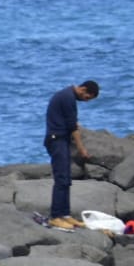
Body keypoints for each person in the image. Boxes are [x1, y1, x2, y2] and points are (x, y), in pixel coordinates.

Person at [43, 80, 99, 226]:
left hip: (62, 140)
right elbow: (73, 127)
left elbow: (69, 121)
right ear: (83, 89)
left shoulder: (67, 96)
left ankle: (65, 214)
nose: (86, 101)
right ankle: (55, 216)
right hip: (57, 140)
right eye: (87, 97)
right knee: (61, 178)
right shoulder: (67, 98)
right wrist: (82, 149)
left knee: (67, 179)